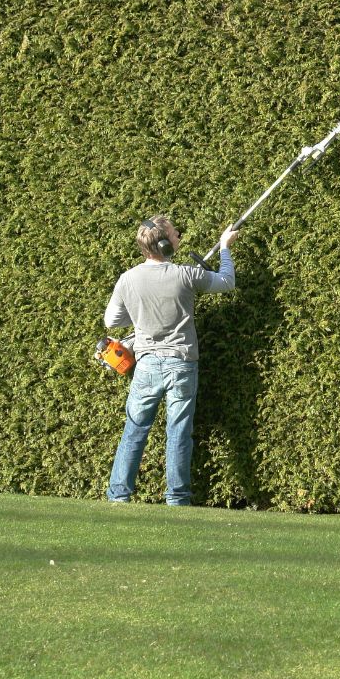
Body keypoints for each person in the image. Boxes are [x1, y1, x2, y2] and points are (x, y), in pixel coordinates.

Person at [104, 215, 240, 505]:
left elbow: (112, 320)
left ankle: (118, 495)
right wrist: (225, 247)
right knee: (178, 431)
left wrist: (140, 314)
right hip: (181, 363)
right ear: (164, 244)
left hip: (148, 365)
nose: (178, 235)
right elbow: (227, 281)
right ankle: (177, 498)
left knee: (135, 429)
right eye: (174, 234)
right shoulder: (186, 274)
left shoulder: (127, 279)